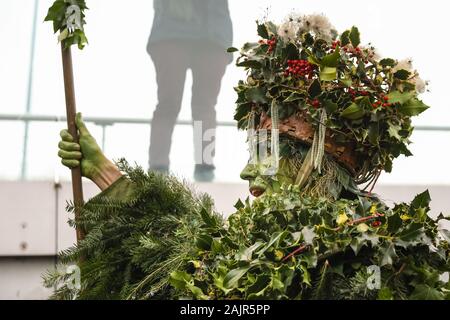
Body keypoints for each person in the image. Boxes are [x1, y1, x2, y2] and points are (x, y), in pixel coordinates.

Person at [51, 15, 449, 300]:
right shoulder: (254, 249)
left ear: (324, 155)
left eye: (267, 151)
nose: (246, 171)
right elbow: (177, 252)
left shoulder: (384, 254)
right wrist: (104, 171)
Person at [146, 0, 233, 181]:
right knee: (169, 103)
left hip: (212, 36)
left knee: (204, 106)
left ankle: (205, 166)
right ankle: (158, 168)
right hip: (171, 33)